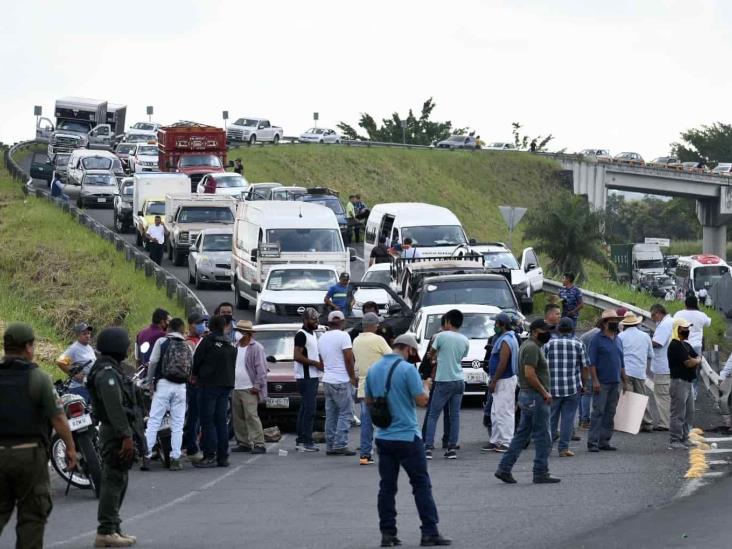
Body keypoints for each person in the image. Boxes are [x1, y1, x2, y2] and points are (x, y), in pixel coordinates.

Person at [365, 333, 452, 547]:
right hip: (407, 436)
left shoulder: (373, 369)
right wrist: (426, 386)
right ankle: (429, 532)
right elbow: (422, 401)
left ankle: (388, 533)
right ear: (409, 349)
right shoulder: (407, 370)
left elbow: (368, 401)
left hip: (383, 437)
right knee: (421, 484)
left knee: (387, 487)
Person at [0, 323, 77, 549]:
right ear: (28, 347)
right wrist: (70, 449)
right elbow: (59, 419)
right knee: (32, 516)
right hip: (29, 455)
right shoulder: (39, 379)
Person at [87, 327, 143, 547]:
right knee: (113, 480)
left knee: (120, 479)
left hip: (119, 430)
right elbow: (114, 408)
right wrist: (126, 436)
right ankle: (106, 530)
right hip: (115, 431)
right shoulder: (107, 374)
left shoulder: (111, 369)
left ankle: (114, 527)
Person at [495, 319, 559, 484]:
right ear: (536, 331)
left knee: (522, 435)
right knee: (543, 436)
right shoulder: (531, 348)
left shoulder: (530, 346)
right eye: (546, 330)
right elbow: (529, 374)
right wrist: (544, 392)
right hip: (535, 396)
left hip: (529, 396)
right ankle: (540, 472)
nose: (548, 333)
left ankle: (504, 468)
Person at [142, 318, 191, 472]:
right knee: (177, 424)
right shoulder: (187, 346)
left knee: (154, 421)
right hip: (181, 387)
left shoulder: (162, 342)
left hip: (163, 385)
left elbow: (153, 362)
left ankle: (147, 456)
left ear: (169, 328)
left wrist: (149, 381)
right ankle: (175, 458)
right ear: (182, 330)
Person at [191, 315, 237, 468]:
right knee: (221, 420)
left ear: (210, 326)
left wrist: (195, 375)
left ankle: (209, 454)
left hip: (209, 384)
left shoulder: (208, 341)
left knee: (207, 420)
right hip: (225, 385)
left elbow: (196, 361)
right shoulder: (229, 343)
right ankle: (223, 456)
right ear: (224, 326)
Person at [423, 309, 469, 460]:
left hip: (444, 380)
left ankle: (428, 447)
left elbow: (431, 353)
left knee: (433, 415)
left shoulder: (441, 336)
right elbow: (461, 357)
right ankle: (451, 448)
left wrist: (434, 358)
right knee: (454, 415)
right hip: (459, 380)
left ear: (448, 322)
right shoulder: (464, 340)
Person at [353, 312, 392, 465]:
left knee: (366, 422)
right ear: (373, 325)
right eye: (377, 324)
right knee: (385, 419)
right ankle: (388, 450)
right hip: (379, 384)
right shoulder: (378, 339)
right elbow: (391, 356)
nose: (378, 326)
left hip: (363, 385)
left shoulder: (356, 340)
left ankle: (364, 454)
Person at [586, 309, 628, 452]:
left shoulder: (618, 339)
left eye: (616, 321)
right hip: (602, 382)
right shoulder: (596, 340)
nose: (615, 324)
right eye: (612, 321)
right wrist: (595, 381)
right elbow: (591, 363)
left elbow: (621, 362)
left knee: (610, 413)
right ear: (604, 323)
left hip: (615, 382)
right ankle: (592, 442)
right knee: (598, 412)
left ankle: (604, 441)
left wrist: (625, 380)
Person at [545, 318, 587, 457]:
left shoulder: (549, 344)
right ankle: (563, 448)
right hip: (572, 387)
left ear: (558, 328)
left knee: (551, 418)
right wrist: (583, 384)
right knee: (568, 419)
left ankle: (546, 447)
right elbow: (584, 366)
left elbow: (542, 366)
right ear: (572, 328)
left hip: (552, 388)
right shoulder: (578, 343)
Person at [319, 310, 358, 455]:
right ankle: (340, 444)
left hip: (328, 380)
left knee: (331, 415)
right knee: (346, 413)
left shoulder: (322, 338)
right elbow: (349, 359)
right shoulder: (344, 336)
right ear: (342, 322)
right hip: (341, 379)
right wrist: (352, 377)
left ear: (329, 323)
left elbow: (321, 361)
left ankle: (330, 445)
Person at [483, 313, 519, 453]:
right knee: (496, 411)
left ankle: (506, 441)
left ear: (502, 324)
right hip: (501, 379)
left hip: (504, 379)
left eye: (496, 323)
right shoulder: (506, 337)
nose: (494, 326)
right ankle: (496, 440)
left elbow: (503, 362)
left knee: (504, 411)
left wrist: (494, 380)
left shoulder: (506, 340)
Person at [231, 321, 268, 454]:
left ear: (246, 333)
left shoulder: (256, 348)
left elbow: (262, 370)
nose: (236, 333)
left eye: (239, 331)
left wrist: (257, 386)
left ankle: (259, 443)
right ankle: (243, 442)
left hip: (249, 387)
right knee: (238, 417)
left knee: (251, 416)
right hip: (236, 387)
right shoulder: (235, 346)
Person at [618, 312, 654, 432]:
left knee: (627, 397)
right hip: (639, 371)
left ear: (625, 325)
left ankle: (628, 424)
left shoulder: (620, 337)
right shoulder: (645, 336)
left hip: (625, 371)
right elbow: (650, 355)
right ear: (637, 324)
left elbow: (618, 354)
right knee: (641, 397)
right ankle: (647, 422)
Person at [668, 318, 701, 449]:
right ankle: (675, 439)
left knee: (689, 412)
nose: (686, 331)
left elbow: (698, 357)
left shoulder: (686, 345)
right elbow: (689, 363)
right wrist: (696, 360)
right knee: (678, 412)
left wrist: (696, 360)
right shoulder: (675, 345)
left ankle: (685, 437)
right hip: (678, 382)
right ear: (677, 329)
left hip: (688, 382)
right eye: (684, 328)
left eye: (687, 328)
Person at [294, 308, 324, 452]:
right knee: (309, 410)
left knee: (305, 409)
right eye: (314, 319)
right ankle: (307, 441)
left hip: (312, 376)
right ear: (306, 320)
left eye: (317, 319)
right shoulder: (301, 335)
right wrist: (316, 364)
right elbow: (297, 356)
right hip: (306, 378)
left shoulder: (312, 334)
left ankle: (301, 440)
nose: (317, 321)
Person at [183, 312, 206, 462]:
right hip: (192, 383)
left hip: (200, 383)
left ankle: (190, 444)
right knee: (193, 417)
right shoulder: (189, 342)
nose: (202, 326)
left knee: (196, 417)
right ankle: (191, 447)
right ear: (190, 324)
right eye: (198, 323)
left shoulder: (201, 340)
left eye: (203, 322)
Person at [56, 322, 96, 401]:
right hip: (79, 388)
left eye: (88, 333)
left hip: (89, 386)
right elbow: (60, 362)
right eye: (84, 334)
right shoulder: (74, 349)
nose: (87, 336)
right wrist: (75, 374)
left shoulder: (89, 347)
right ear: (78, 335)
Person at [650, 303, 674, 431]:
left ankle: (665, 423)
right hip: (671, 364)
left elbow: (657, 343)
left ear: (658, 313)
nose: (652, 319)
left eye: (652, 316)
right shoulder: (672, 321)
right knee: (669, 395)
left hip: (663, 365)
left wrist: (645, 343)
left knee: (662, 395)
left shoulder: (664, 325)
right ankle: (670, 421)